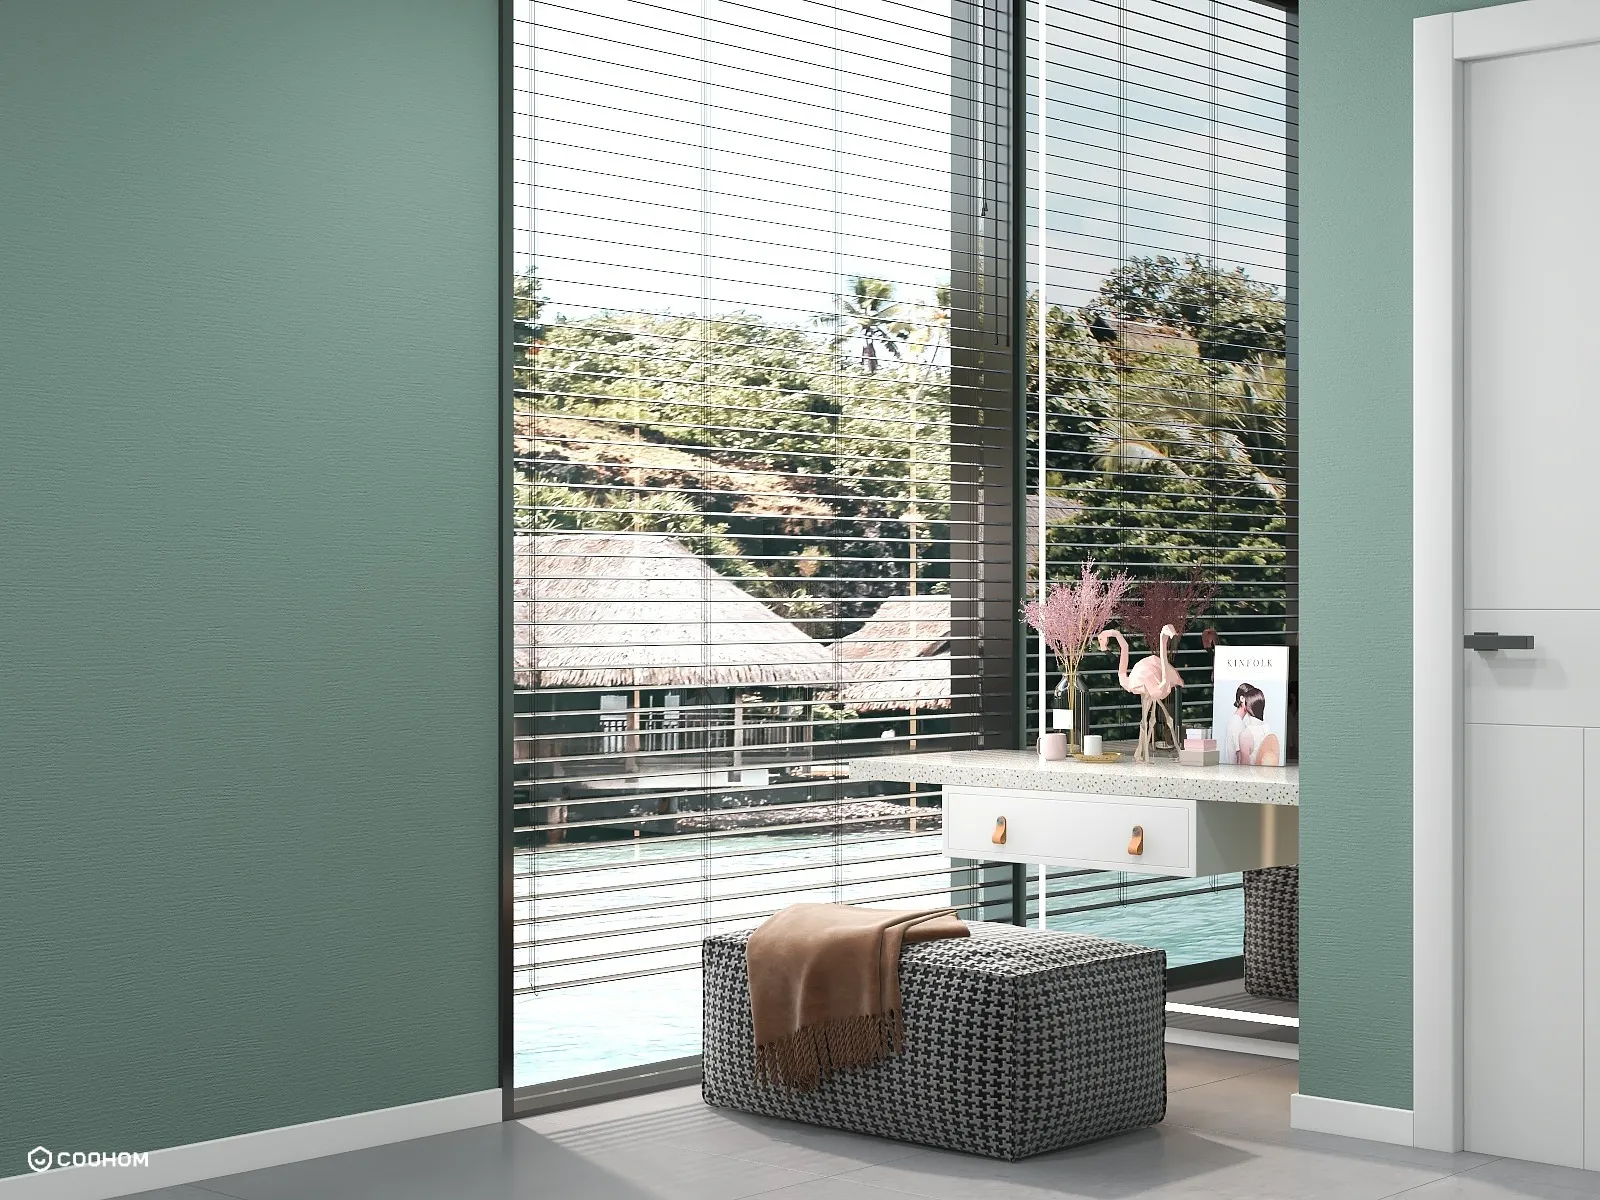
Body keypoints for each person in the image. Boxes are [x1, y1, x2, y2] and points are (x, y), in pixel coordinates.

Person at [1231, 683, 1282, 767]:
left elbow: (1244, 769)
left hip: (1253, 777)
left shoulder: (1245, 734)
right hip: (1269, 777)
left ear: (1247, 706)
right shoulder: (1267, 727)